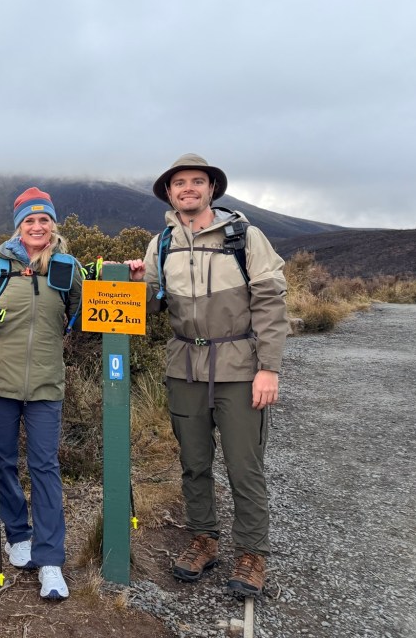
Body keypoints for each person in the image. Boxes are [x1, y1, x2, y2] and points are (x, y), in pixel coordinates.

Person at [126, 154, 288, 597]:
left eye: (197, 181)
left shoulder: (244, 236)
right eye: (180, 183)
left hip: (239, 368)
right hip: (184, 368)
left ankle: (251, 553)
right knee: (194, 462)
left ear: (211, 189)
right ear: (169, 192)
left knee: (244, 464)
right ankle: (204, 539)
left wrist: (268, 368)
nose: (189, 188)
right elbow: (154, 304)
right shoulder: (162, 243)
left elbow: (271, 304)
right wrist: (138, 284)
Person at [0, 187, 83, 600]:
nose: (37, 226)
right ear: (19, 226)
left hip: (46, 384)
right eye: (29, 220)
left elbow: (82, 312)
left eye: (43, 219)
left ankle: (50, 560)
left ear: (53, 224)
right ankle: (18, 535)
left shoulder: (68, 266)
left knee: (45, 467)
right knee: (3, 462)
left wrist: (125, 279)